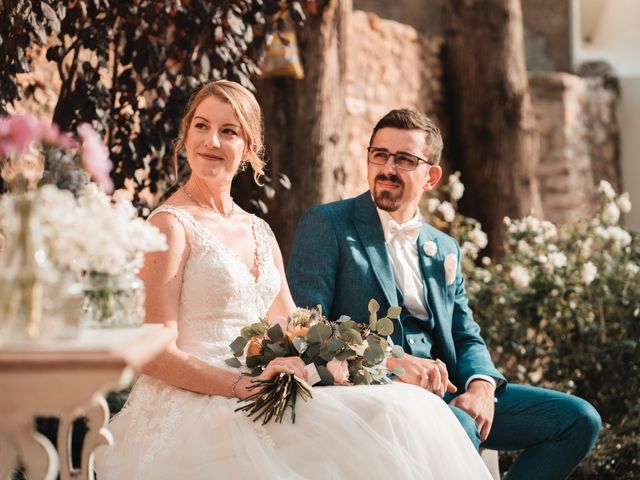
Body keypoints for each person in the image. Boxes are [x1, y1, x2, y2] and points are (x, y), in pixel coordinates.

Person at [94, 81, 493, 479]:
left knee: (406, 407)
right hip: (197, 402)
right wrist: (242, 387)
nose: (211, 140)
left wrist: (378, 358)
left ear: (249, 148)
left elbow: (295, 325)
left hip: (265, 387)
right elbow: (154, 353)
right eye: (201, 126)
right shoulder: (170, 225)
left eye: (229, 131)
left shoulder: (259, 231)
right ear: (185, 136)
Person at [287, 108, 602, 480]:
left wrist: (482, 386)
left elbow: (465, 332)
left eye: (404, 159)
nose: (388, 168)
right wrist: (390, 360)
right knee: (458, 428)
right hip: (377, 391)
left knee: (578, 420)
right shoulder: (328, 224)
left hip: (448, 389)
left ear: (431, 177)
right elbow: (306, 325)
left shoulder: (444, 247)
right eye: (379, 155)